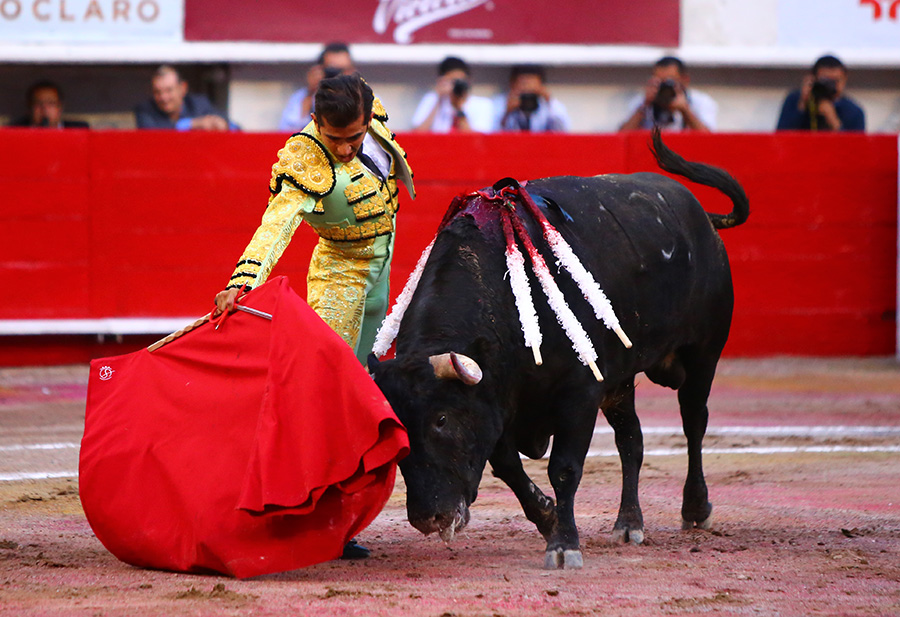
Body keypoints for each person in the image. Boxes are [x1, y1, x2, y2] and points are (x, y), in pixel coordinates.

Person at [215, 74, 414, 558]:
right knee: (327, 397)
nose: (345, 150)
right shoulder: (305, 157)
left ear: (368, 118)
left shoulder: (373, 106)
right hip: (341, 277)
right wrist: (243, 281)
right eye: (334, 138)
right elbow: (276, 224)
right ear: (316, 123)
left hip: (381, 268)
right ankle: (318, 520)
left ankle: (340, 510)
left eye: (354, 138)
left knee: (363, 384)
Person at [619, 56, 717, 132]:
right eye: (659, 81)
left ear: (685, 80)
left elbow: (709, 139)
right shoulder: (642, 101)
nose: (664, 86)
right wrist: (644, 106)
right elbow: (621, 137)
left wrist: (685, 110)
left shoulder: (701, 102)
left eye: (669, 81)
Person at [279, 42, 355, 132]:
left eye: (342, 71)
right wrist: (310, 94)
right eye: (331, 70)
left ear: (352, 71)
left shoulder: (367, 98)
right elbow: (286, 133)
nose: (337, 77)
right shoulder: (302, 98)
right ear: (321, 70)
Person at [776, 55, 865, 132]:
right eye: (826, 81)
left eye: (836, 81)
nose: (831, 86)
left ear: (844, 80)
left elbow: (855, 148)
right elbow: (780, 139)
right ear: (813, 79)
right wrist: (802, 105)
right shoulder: (794, 100)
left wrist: (834, 122)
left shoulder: (853, 111)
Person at [134, 65, 237, 130]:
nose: (163, 98)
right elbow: (155, 137)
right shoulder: (145, 110)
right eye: (157, 92)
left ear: (183, 88)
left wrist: (222, 124)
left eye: (169, 90)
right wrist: (192, 124)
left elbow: (234, 127)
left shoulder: (199, 104)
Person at [411, 56, 494, 133]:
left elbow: (477, 140)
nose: (456, 85)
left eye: (460, 81)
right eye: (452, 81)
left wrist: (458, 107)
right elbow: (417, 134)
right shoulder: (432, 99)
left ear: (469, 81)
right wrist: (438, 99)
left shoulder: (483, 104)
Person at [493, 64, 571, 132]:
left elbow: (563, 129)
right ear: (513, 84)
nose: (527, 89)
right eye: (523, 84)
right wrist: (506, 113)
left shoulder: (547, 105)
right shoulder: (501, 103)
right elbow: (491, 132)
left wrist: (549, 101)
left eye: (532, 85)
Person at [7, 80, 89, 128]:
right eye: (38, 103)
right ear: (29, 107)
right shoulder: (16, 130)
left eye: (51, 103)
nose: (44, 109)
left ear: (60, 107)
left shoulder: (78, 129)